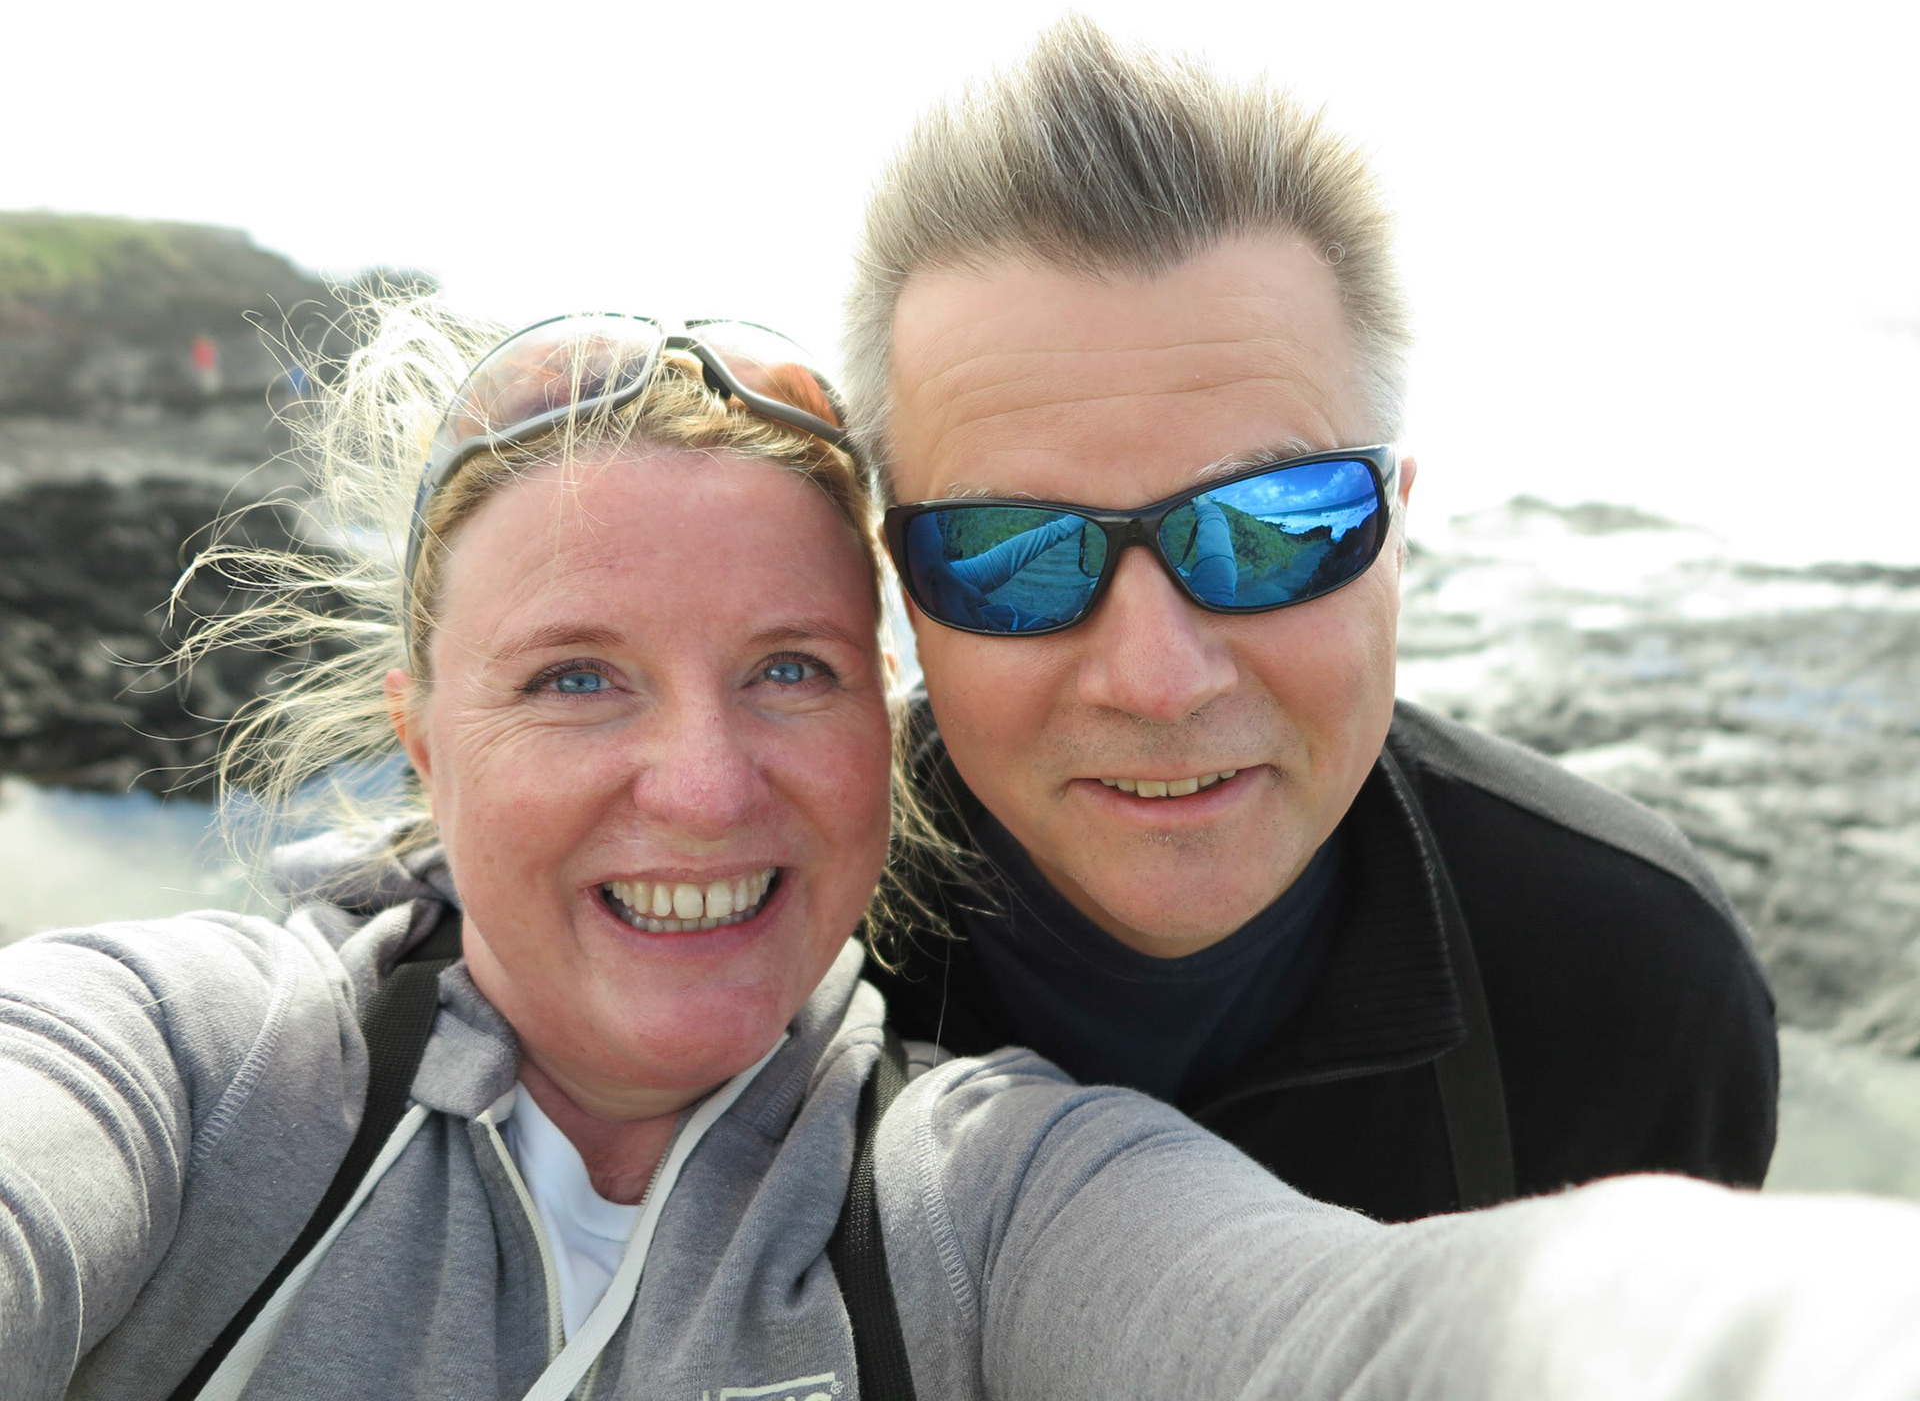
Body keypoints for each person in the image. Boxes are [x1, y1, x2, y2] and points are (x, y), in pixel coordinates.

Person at [7, 303, 1920, 1401]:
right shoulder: (198, 1074)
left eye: (792, 669)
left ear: (890, 727)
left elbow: (1364, 1336)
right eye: (578, 677)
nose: (704, 785)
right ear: (423, 735)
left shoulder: (968, 1194)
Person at [847, 18, 1778, 1218]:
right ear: (904, 590)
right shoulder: (765, 961)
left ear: (1396, 533)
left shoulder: (1630, 988)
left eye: (1273, 527)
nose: (1157, 680)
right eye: (1011, 555)